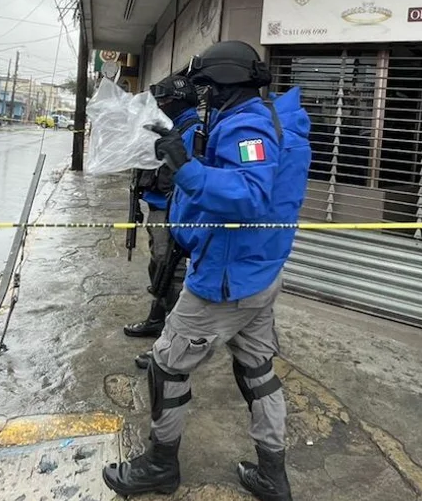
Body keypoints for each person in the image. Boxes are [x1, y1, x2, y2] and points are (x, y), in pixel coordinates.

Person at [102, 40, 312, 501]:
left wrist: (186, 169)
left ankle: (161, 466)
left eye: (207, 87)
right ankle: (272, 476)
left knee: (166, 367)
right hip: (256, 272)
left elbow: (250, 194)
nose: (204, 96)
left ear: (225, 84)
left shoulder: (248, 126)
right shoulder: (263, 119)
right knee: (257, 370)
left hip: (225, 279)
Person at [124, 73, 203, 371]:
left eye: (164, 99)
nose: (160, 105)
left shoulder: (191, 130)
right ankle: (157, 321)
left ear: (178, 100)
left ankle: (172, 341)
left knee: (171, 272)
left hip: (173, 210)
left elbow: (191, 175)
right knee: (158, 268)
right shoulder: (169, 126)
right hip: (157, 205)